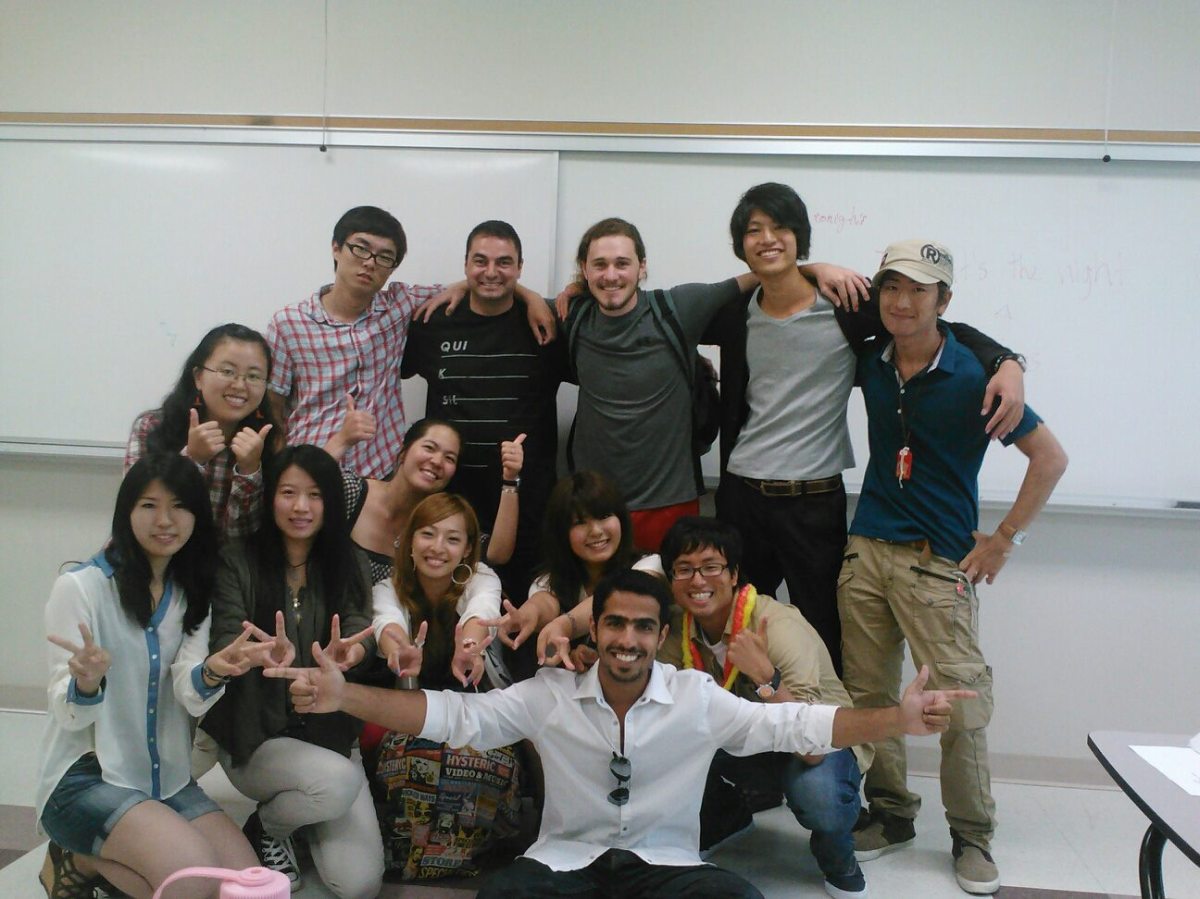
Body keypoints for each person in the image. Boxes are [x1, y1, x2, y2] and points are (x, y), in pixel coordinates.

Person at [265, 568, 976, 899]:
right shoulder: (549, 695)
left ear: (660, 636)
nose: (628, 639)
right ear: (595, 629)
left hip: (666, 865)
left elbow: (794, 721)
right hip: (567, 863)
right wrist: (342, 692)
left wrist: (900, 719)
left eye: (643, 627)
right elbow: (453, 719)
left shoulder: (696, 697)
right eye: (614, 624)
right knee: (503, 897)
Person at [709, 182, 1027, 672]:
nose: (768, 239)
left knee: (823, 633)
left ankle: (821, 746)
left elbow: (928, 324)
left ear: (801, 237)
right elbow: (653, 310)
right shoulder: (734, 314)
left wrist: (1006, 360)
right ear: (741, 243)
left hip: (812, 502)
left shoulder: (845, 307)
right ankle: (755, 738)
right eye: (755, 231)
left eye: (781, 228)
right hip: (740, 495)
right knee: (738, 625)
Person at [839, 240, 1068, 895]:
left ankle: (972, 836)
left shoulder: (976, 375)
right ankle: (891, 816)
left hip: (936, 566)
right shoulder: (870, 359)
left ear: (944, 300)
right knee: (873, 700)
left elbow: (1049, 458)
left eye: (919, 289)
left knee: (959, 708)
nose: (901, 301)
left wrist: (1002, 540)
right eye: (891, 288)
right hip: (866, 556)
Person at [537, 516, 871, 897]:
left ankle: (838, 855)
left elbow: (812, 748)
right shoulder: (676, 626)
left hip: (814, 749)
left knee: (819, 793)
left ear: (734, 575)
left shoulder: (776, 627)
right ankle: (725, 818)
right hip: (741, 743)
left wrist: (766, 676)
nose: (698, 581)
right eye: (684, 570)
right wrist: (587, 657)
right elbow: (642, 688)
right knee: (653, 741)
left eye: (711, 568)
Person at [37, 454, 273, 899]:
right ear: (126, 513)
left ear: (197, 518)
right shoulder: (80, 588)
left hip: (163, 778)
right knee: (194, 884)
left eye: (179, 506)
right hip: (86, 778)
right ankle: (78, 858)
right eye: (148, 505)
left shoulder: (191, 592)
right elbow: (66, 715)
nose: (164, 520)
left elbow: (189, 692)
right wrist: (86, 683)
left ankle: (103, 861)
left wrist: (213, 671)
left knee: (245, 884)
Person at [561, 217, 866, 551]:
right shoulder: (571, 318)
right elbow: (501, 297)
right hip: (592, 509)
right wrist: (538, 295)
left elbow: (765, 275)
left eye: (622, 263)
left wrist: (815, 269)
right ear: (584, 269)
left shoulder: (678, 308)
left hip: (670, 504)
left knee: (672, 603)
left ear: (642, 267)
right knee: (593, 602)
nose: (611, 275)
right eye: (599, 265)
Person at [201, 445, 382, 898]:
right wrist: (254, 655)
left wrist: (351, 656)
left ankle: (294, 813)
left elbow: (364, 630)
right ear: (270, 497)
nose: (301, 507)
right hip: (258, 735)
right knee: (337, 785)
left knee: (357, 884)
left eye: (315, 495)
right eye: (288, 492)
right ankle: (269, 827)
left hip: (330, 733)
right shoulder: (238, 558)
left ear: (331, 504)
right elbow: (226, 636)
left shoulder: (348, 559)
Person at [266, 206, 553, 479]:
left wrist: (532, 298)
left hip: (379, 478)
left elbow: (487, 285)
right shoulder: (288, 323)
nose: (370, 262)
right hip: (308, 471)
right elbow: (272, 409)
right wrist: (280, 471)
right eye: (360, 248)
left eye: (384, 257)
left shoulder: (399, 305)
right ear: (336, 248)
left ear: (393, 268)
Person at [402, 220, 565, 602]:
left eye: (504, 263)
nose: (491, 272)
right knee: (444, 604)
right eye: (480, 261)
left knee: (517, 607)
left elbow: (604, 309)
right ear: (465, 265)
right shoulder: (434, 322)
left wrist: (530, 297)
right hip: (449, 496)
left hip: (528, 500)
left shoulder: (546, 326)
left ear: (520, 268)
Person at [367, 493, 523, 877]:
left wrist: (468, 648)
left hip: (476, 708)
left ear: (468, 548)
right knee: (412, 758)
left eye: (453, 539)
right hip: (408, 710)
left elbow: (480, 612)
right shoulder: (388, 586)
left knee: (480, 759)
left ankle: (466, 850)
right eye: (428, 534)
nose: (438, 548)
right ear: (410, 539)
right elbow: (386, 623)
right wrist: (399, 651)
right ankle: (416, 851)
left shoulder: (482, 577)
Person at [484, 470, 658, 678]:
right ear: (562, 532)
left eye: (604, 517)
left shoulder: (649, 565)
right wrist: (526, 615)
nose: (596, 531)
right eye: (580, 522)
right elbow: (544, 603)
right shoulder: (548, 581)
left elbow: (620, 594)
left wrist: (565, 625)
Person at [126, 323, 280, 540]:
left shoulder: (266, 440)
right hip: (150, 563)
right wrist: (191, 460)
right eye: (228, 372)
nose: (240, 385)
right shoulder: (151, 426)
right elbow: (139, 517)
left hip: (219, 570)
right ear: (198, 377)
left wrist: (249, 470)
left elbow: (242, 540)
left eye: (254, 376)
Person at [336, 417, 521, 586]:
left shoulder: (439, 519)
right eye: (429, 448)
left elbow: (497, 554)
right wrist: (342, 440)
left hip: (395, 621)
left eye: (449, 458)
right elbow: (310, 481)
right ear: (403, 452)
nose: (437, 461)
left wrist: (510, 479)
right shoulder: (354, 492)